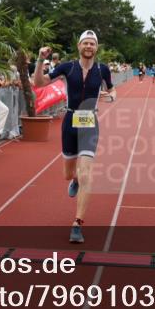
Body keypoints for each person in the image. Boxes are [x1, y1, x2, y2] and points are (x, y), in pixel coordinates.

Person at [33, 30, 115, 244]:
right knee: (68, 174)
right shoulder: (67, 67)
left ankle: (77, 223)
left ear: (96, 48)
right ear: (79, 46)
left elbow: (113, 90)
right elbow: (39, 83)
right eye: (85, 43)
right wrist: (41, 59)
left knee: (87, 172)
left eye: (92, 43)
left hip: (89, 121)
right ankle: (75, 179)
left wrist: (110, 97)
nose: (89, 46)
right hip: (70, 120)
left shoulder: (102, 69)